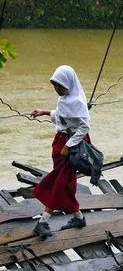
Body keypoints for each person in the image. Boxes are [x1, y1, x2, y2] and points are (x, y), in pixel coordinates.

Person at [31, 65, 89, 240]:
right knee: (66, 183)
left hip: (70, 147)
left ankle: (43, 221)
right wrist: (45, 112)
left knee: (59, 182)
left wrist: (68, 145)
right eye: (55, 85)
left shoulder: (77, 102)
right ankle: (78, 218)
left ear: (69, 84)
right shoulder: (65, 100)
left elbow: (84, 126)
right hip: (60, 144)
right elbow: (63, 116)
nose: (57, 89)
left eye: (60, 86)